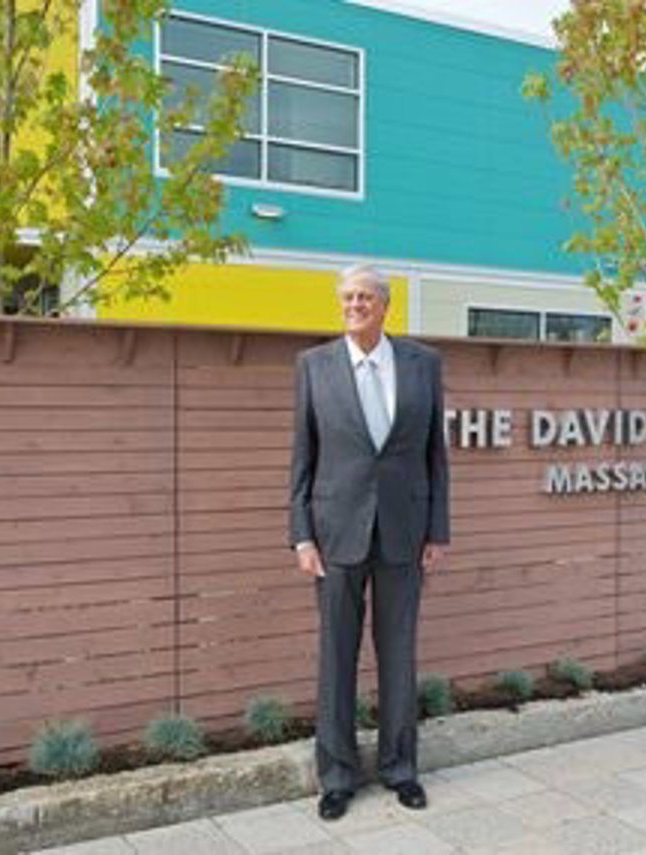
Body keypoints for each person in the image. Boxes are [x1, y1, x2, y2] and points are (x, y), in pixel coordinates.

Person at [288, 265, 449, 821]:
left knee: (399, 652)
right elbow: (303, 455)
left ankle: (401, 769)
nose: (353, 305)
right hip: (334, 532)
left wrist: (437, 529)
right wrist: (301, 534)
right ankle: (336, 776)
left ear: (384, 305)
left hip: (405, 529)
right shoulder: (314, 366)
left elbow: (435, 456)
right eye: (347, 297)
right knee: (336, 655)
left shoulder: (423, 364)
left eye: (363, 297)